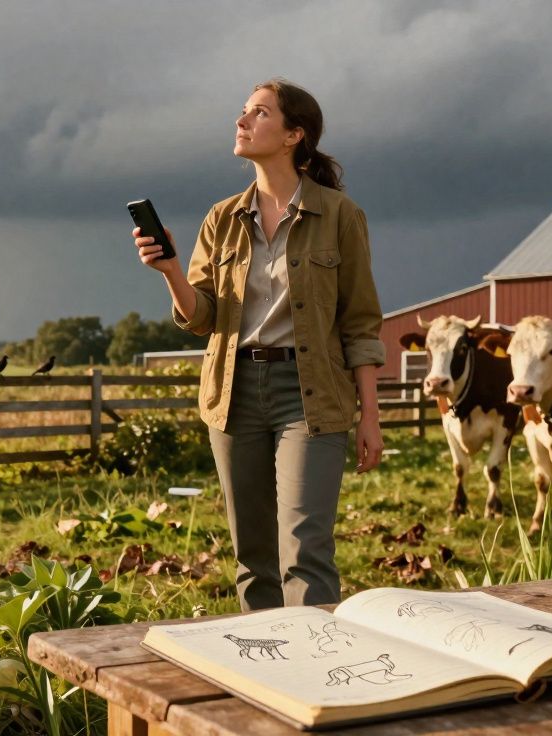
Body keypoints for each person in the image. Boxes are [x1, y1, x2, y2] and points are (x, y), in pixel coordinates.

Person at [131, 78, 385, 611]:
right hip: (234, 391)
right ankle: (264, 671)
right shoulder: (221, 219)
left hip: (311, 394)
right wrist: (170, 270)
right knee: (253, 556)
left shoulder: (340, 215)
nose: (242, 121)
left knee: (305, 549)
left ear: (294, 134)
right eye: (243, 111)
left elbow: (360, 322)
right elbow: (201, 317)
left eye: (259, 113)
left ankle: (317, 673)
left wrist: (369, 416)